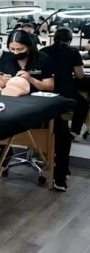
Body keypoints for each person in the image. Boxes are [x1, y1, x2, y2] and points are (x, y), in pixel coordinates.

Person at [40, 27, 87, 191]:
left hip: (46, 95)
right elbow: (80, 75)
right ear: (70, 39)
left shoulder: (43, 51)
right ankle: (75, 131)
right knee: (83, 103)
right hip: (64, 94)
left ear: (54, 38)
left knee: (60, 129)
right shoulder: (73, 52)